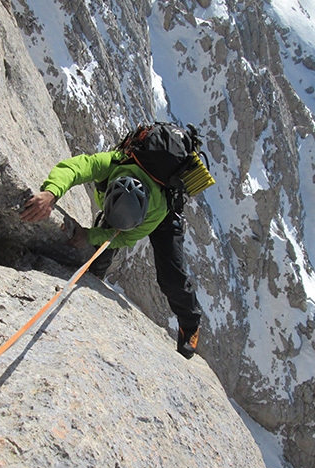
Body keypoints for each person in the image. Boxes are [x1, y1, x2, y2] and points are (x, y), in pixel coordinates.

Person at [20, 151, 202, 359]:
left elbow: (125, 238)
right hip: (127, 199)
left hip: (163, 210)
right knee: (106, 234)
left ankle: (190, 325)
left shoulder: (158, 210)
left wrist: (88, 235)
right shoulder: (110, 164)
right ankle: (95, 274)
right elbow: (74, 168)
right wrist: (51, 193)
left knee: (171, 274)